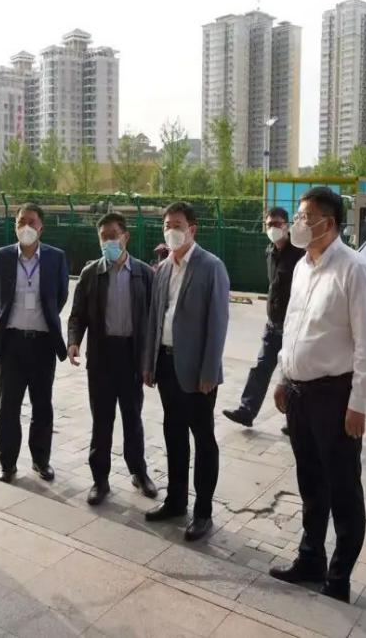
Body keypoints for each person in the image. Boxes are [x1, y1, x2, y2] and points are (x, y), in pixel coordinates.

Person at [268, 187, 366, 604]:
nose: (298, 223)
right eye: (298, 215)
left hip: (335, 397)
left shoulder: (355, 269)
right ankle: (310, 558)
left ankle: (339, 577)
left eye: (305, 217)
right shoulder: (302, 266)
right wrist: (283, 376)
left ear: (329, 223)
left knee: (343, 490)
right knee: (311, 485)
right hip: (299, 395)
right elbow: (292, 328)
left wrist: (358, 405)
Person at [142, 202, 230, 542]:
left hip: (197, 371)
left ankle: (203, 512)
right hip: (166, 365)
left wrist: (209, 371)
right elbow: (155, 317)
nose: (171, 230)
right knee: (174, 433)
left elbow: (218, 323)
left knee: (203, 438)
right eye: (167, 225)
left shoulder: (211, 267)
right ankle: (176, 501)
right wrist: (149, 363)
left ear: (192, 229)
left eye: (177, 225)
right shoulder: (163, 268)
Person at [67, 212, 158, 505]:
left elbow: (155, 321)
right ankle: (100, 480)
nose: (108, 241)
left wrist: (150, 361)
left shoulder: (144, 274)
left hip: (132, 357)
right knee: (102, 420)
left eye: (113, 235)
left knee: (133, 418)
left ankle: (139, 472)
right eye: (103, 237)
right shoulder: (90, 274)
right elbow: (77, 314)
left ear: (125, 237)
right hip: (102, 358)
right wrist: (73, 341)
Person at [0, 203, 69, 484]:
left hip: (43, 343)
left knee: (42, 405)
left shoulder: (56, 257)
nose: (26, 227)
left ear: (41, 227)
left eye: (32, 222)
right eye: (21, 221)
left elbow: (60, 297)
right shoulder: (1, 257)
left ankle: (41, 461)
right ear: (15, 225)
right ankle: (7, 464)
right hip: (11, 343)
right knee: (8, 406)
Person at [223, 207, 302, 433]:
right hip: (273, 324)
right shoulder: (270, 251)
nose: (273, 228)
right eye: (269, 224)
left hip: (293, 326)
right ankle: (246, 411)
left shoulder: (299, 253)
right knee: (261, 368)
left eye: (277, 224)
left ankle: (294, 420)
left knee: (293, 375)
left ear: (287, 225)